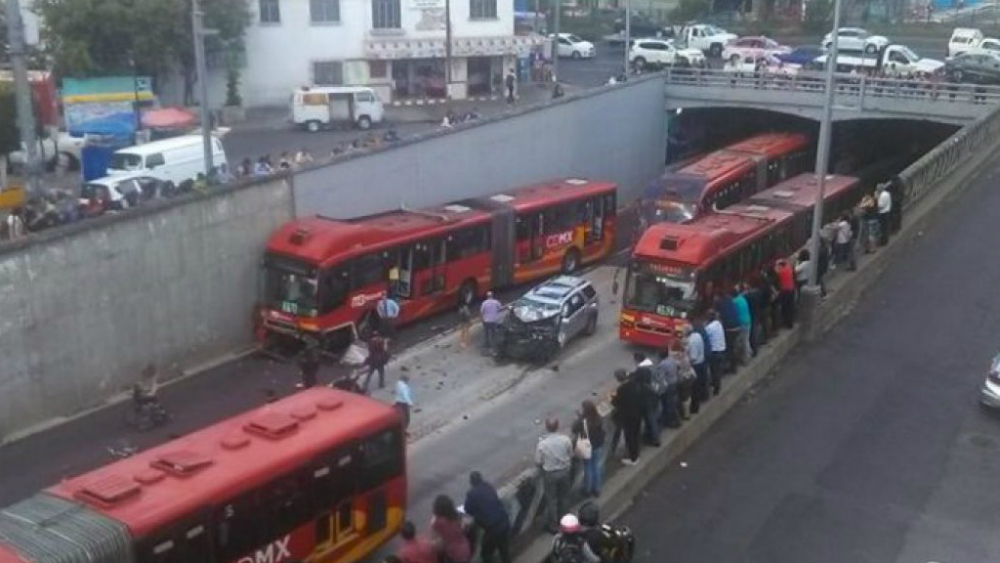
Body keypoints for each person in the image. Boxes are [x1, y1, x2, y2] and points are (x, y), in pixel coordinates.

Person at [536, 417, 573, 533]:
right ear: (558, 426)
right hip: (564, 471)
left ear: (547, 428)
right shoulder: (566, 440)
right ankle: (565, 521)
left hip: (550, 473)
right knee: (564, 497)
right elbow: (570, 454)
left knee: (551, 499)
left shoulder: (542, 444)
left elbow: (538, 461)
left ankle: (554, 525)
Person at [464, 471, 512, 563]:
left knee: (486, 553)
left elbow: (468, 509)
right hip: (504, 521)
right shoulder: (488, 486)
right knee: (504, 550)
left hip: (493, 528)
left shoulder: (472, 493)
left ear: (471, 482)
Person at [572, 400, 606, 498]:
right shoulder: (598, 418)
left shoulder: (583, 421)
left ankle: (587, 489)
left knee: (588, 468)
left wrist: (579, 418)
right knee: (596, 466)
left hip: (587, 446)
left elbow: (574, 429)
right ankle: (597, 489)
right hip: (598, 445)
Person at [611, 368, 643, 466]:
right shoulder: (634, 384)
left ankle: (634, 458)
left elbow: (616, 402)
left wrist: (613, 399)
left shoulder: (622, 389)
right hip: (638, 413)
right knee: (636, 434)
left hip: (628, 416)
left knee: (630, 437)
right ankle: (636, 454)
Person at [430, 495, 472, 563]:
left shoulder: (438, 522)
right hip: (465, 548)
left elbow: (435, 537)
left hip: (453, 553)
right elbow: (464, 526)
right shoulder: (456, 516)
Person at [632, 353, 660, 447]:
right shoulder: (652, 366)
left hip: (648, 400)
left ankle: (655, 439)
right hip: (655, 395)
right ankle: (652, 435)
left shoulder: (642, 370)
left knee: (651, 419)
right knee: (653, 417)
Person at [687, 321, 708, 414]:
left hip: (696, 366)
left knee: (694, 388)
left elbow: (693, 357)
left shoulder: (691, 341)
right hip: (702, 362)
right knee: (701, 384)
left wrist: (686, 363)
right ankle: (704, 397)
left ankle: (694, 408)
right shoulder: (698, 335)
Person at [655, 349, 680, 429]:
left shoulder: (662, 364)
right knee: (672, 403)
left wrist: (660, 389)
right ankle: (675, 420)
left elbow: (661, 378)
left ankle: (672, 422)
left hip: (668, 386)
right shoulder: (672, 360)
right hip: (675, 382)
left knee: (669, 404)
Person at [716, 292, 739, 373]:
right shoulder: (730, 300)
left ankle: (729, 367)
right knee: (732, 347)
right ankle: (733, 366)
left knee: (729, 348)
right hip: (736, 326)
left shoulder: (720, 303)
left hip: (729, 328)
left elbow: (720, 316)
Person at [704, 311, 726, 397]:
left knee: (714, 372)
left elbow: (704, 336)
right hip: (721, 350)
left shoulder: (710, 328)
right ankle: (717, 386)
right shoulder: (718, 324)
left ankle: (715, 389)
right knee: (718, 371)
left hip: (714, 352)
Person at [732, 287, 752, 366]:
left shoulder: (734, 302)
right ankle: (749, 352)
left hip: (741, 323)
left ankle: (746, 358)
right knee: (746, 339)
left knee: (743, 341)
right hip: (748, 320)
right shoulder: (742, 299)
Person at [774, 259, 796, 328]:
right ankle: (790, 323)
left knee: (785, 307)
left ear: (780, 265)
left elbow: (776, 272)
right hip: (792, 289)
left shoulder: (781, 271)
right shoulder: (789, 268)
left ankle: (784, 322)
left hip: (785, 291)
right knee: (790, 306)